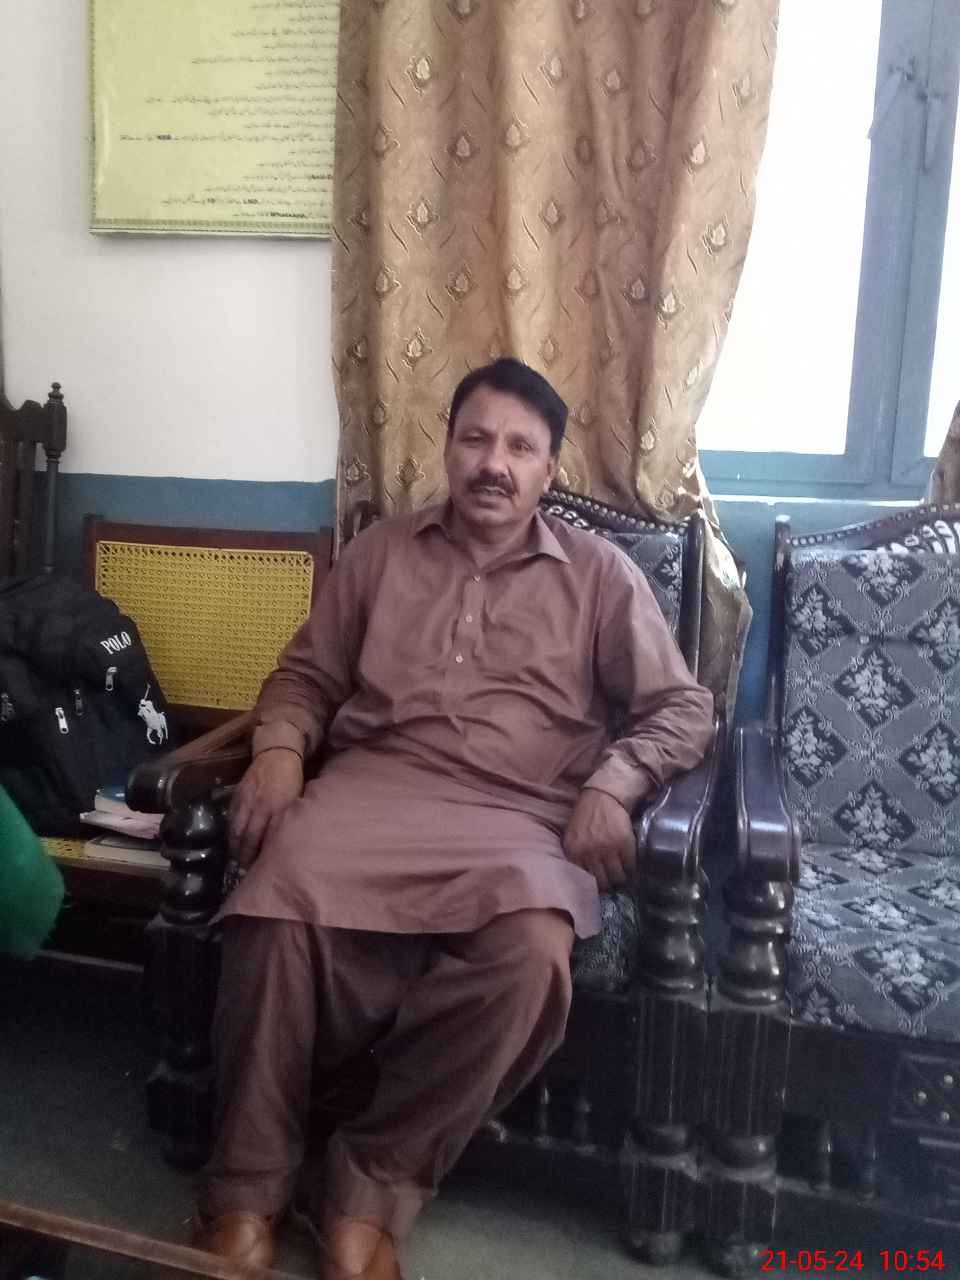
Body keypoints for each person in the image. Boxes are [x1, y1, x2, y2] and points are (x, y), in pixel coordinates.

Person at [193, 358, 714, 1279]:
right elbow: (305, 677)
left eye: (520, 448)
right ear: (447, 448)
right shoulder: (379, 554)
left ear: (549, 470)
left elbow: (682, 707)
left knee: (532, 954)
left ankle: (367, 1185)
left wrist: (615, 783)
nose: (493, 464)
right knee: (272, 909)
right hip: (369, 795)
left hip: (521, 817)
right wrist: (277, 752)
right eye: (476, 439)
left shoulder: (600, 576)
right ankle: (246, 1189)